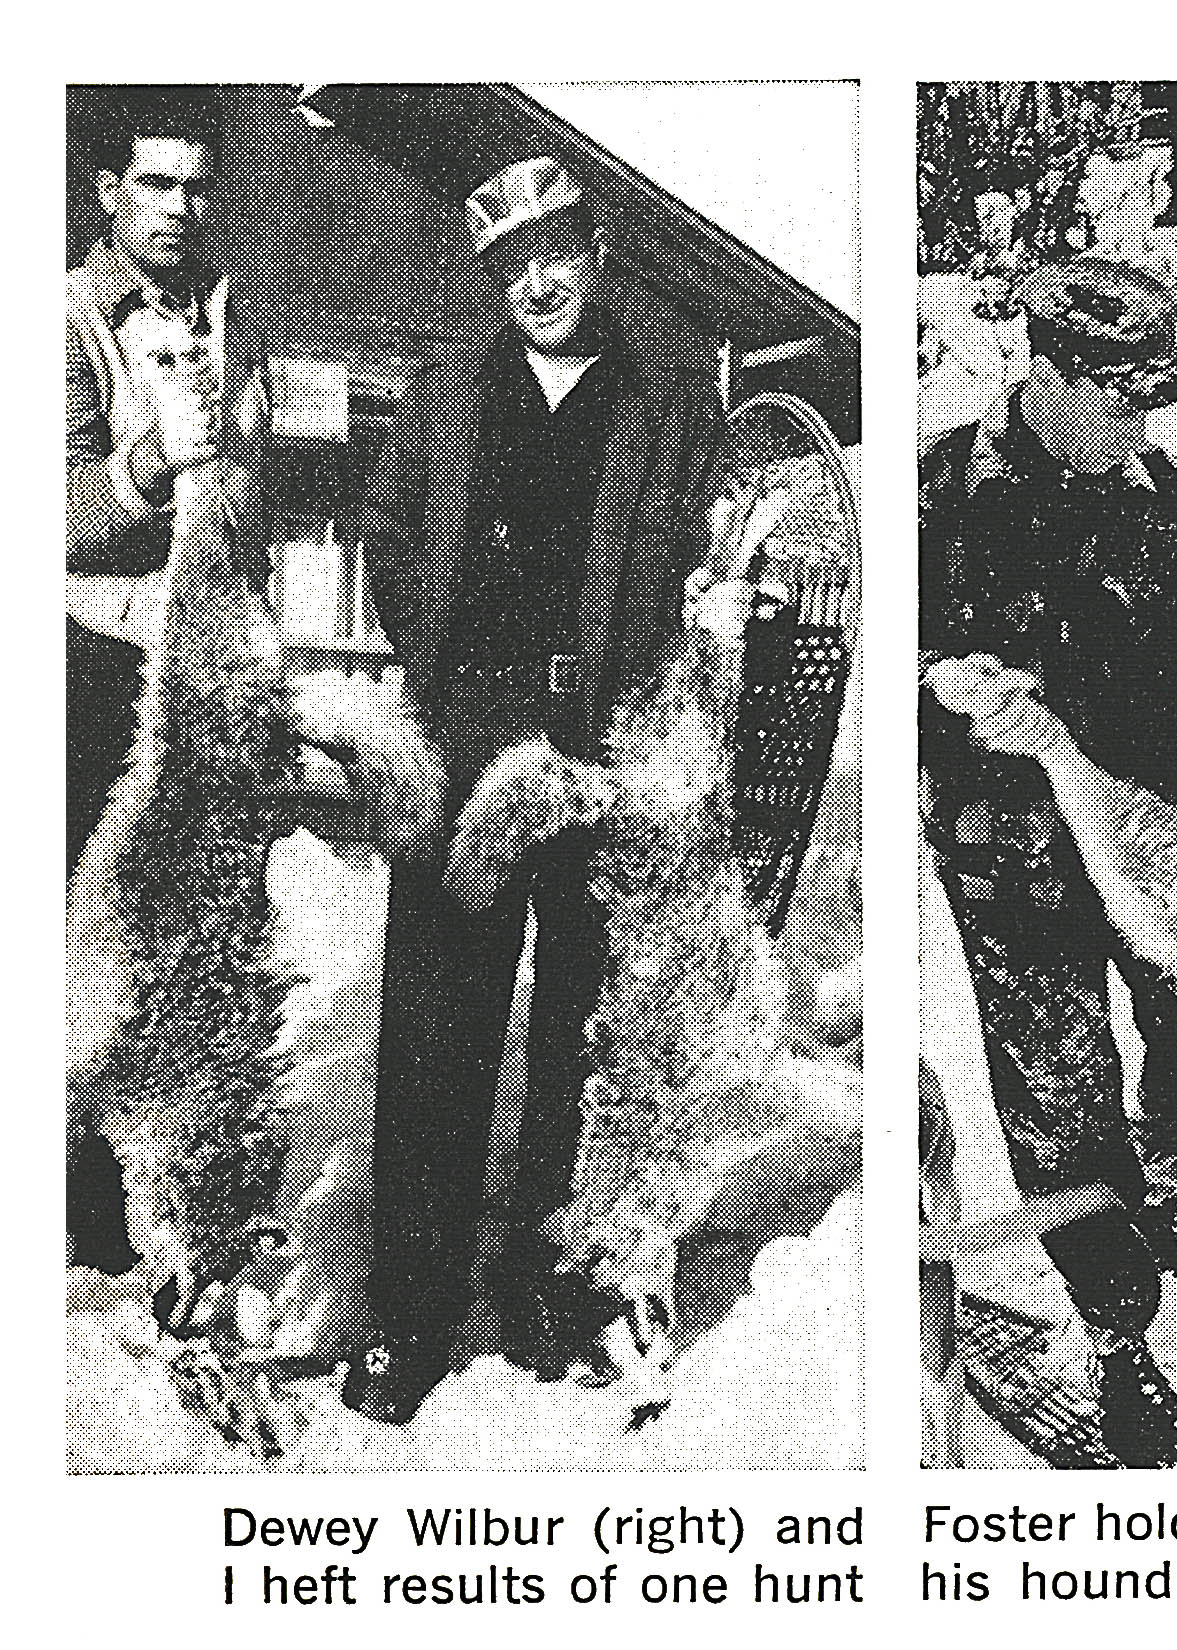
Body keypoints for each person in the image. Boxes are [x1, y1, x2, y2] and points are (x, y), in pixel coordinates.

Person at [343, 157, 746, 1424]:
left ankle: (549, 1292)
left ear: (598, 249)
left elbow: (711, 545)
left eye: (557, 252)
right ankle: (409, 1318)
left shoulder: (668, 400)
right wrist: (438, 656)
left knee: (586, 1019)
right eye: (513, 266)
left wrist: (704, 617)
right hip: (471, 733)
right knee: (436, 1026)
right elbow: (388, 533)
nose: (539, 283)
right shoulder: (449, 390)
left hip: (604, 739)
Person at [919, 257, 1177, 1466]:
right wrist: (946, 694)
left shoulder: (1160, 492)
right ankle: (1118, 1346)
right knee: (1060, 1100)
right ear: (1051, 372)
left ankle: (1156, 1204)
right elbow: (890, 690)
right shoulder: (938, 495)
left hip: (1150, 842)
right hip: (1012, 860)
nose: (1143, 423)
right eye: (1123, 397)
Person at [66, 87, 269, 1274]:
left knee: (195, 953)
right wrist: (147, 463)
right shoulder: (63, 316)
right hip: (92, 673)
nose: (180, 206)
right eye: (156, 182)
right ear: (108, 192)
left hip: (201, 679)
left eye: (197, 184)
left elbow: (256, 499)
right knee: (85, 952)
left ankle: (189, 1218)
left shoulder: (234, 315)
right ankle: (81, 1230)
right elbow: (53, 513)